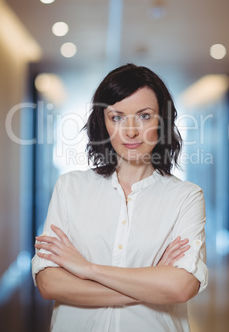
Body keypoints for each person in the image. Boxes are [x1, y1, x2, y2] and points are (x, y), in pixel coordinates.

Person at [32, 64, 208, 332]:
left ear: (163, 121)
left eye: (144, 116)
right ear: (102, 122)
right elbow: (49, 284)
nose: (131, 131)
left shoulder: (186, 197)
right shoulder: (70, 188)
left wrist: (86, 269)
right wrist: (150, 283)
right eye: (117, 117)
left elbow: (181, 287)